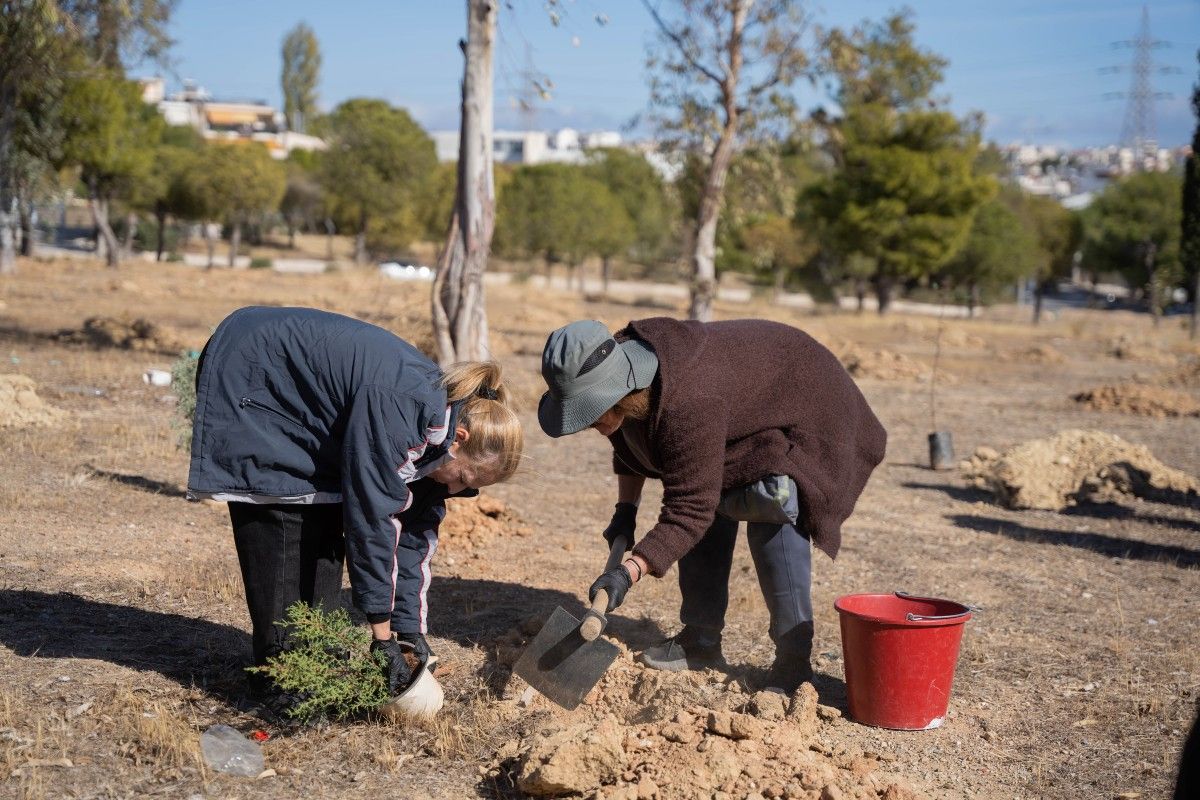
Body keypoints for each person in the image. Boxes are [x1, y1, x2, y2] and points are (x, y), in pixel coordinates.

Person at [187, 306, 522, 706]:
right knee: (284, 525)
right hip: (256, 372)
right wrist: (381, 637)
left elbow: (413, 534)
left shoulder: (441, 438)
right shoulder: (408, 413)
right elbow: (371, 521)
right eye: (464, 479)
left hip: (301, 398)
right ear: (460, 438)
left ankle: (317, 661)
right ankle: (282, 681)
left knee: (325, 532)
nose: (457, 490)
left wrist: (408, 631)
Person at [538, 317, 886, 694]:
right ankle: (700, 641)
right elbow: (630, 447)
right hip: (739, 399)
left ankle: (793, 660)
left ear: (618, 391)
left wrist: (627, 573)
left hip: (809, 402)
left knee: (769, 500)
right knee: (704, 486)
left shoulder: (687, 399)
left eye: (591, 412)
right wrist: (626, 511)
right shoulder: (625, 376)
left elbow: (690, 509)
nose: (591, 424)